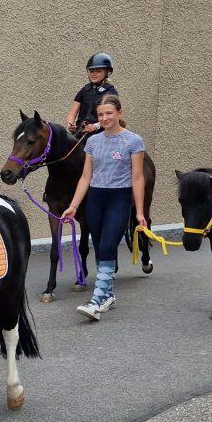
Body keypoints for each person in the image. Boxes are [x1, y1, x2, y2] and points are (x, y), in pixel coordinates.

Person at [61, 94, 147, 321]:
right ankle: (108, 297)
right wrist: (73, 206)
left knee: (108, 246)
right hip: (95, 200)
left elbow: (138, 178)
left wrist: (139, 211)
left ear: (119, 113)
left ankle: (96, 301)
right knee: (100, 249)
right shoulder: (92, 142)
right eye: (100, 114)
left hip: (119, 198)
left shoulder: (133, 141)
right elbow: (85, 177)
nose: (104, 118)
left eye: (109, 113)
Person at [65, 52, 118, 137]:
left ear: (107, 72)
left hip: (100, 134)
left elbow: (112, 116)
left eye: (98, 71)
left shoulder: (111, 92)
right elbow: (72, 114)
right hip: (80, 133)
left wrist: (96, 126)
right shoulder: (84, 90)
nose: (94, 74)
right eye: (91, 71)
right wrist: (70, 124)